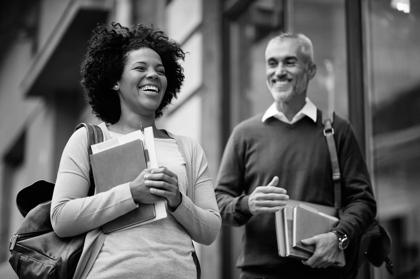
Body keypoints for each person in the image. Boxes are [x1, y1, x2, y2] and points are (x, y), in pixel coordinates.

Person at [50, 22, 221, 279]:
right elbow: (61, 218)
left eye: (160, 71)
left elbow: (209, 231)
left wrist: (177, 199)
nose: (153, 75)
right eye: (140, 68)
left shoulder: (187, 147)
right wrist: (132, 193)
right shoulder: (88, 139)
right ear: (115, 81)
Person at [215, 33, 377, 279]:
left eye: (289, 62)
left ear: (311, 70)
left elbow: (363, 201)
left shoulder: (336, 130)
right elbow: (216, 202)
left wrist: (338, 237)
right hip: (259, 274)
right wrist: (248, 203)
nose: (279, 71)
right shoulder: (244, 134)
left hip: (324, 271)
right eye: (272, 63)